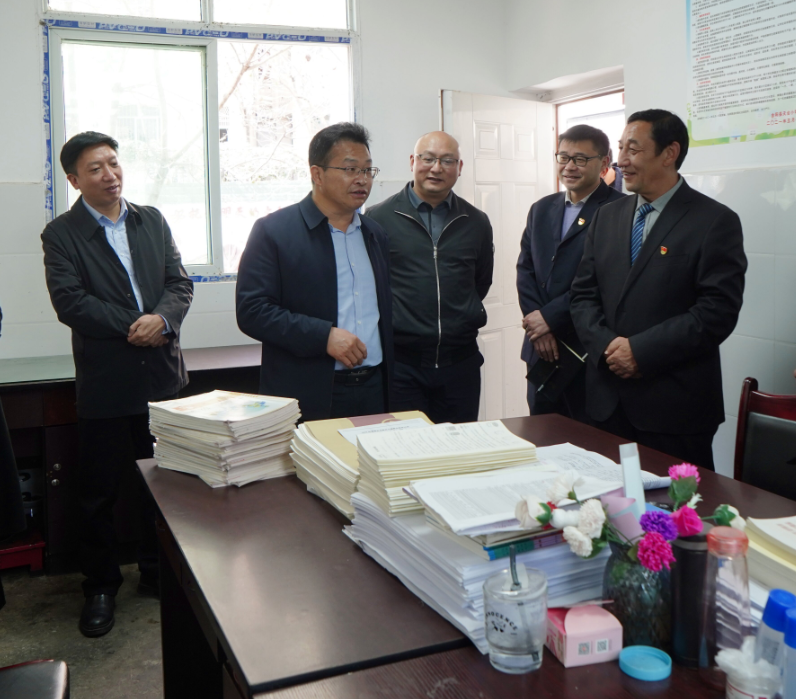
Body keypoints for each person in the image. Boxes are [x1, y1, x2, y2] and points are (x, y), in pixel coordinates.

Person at [42, 132, 193, 637]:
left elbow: (179, 283)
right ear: (73, 180)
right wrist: (138, 324)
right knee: (99, 494)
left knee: (164, 485)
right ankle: (101, 587)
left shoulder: (151, 220)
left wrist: (163, 319)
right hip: (106, 383)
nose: (110, 175)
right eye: (95, 168)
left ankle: (157, 573)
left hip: (161, 378)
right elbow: (71, 302)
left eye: (113, 163)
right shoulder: (61, 234)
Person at [570, 109, 747, 470]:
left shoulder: (714, 221)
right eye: (621, 148)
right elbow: (583, 295)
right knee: (607, 501)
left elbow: (716, 311)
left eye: (633, 150)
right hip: (606, 403)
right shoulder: (607, 216)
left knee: (676, 505)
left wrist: (640, 351)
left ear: (669, 153)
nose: (621, 161)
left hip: (674, 409)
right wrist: (608, 346)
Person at [236, 122, 393, 421]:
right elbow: (252, 312)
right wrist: (324, 337)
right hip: (310, 390)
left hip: (374, 387)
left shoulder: (375, 234)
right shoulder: (274, 231)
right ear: (317, 174)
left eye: (367, 170)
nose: (362, 179)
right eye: (350, 169)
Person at [365, 131, 493, 424]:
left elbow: (480, 282)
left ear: (459, 167)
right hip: (402, 367)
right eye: (428, 159)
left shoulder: (476, 221)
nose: (437, 168)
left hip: (460, 365)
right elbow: (371, 286)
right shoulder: (377, 219)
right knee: (406, 446)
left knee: (460, 446)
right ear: (413, 161)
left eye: (447, 161)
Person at [517, 125, 625, 421]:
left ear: (604, 163)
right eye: (563, 157)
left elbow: (605, 280)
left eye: (580, 159)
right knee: (541, 433)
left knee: (589, 438)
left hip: (586, 351)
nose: (569, 166)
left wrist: (550, 319)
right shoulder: (541, 208)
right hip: (541, 351)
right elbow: (526, 269)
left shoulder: (620, 209)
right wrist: (537, 325)